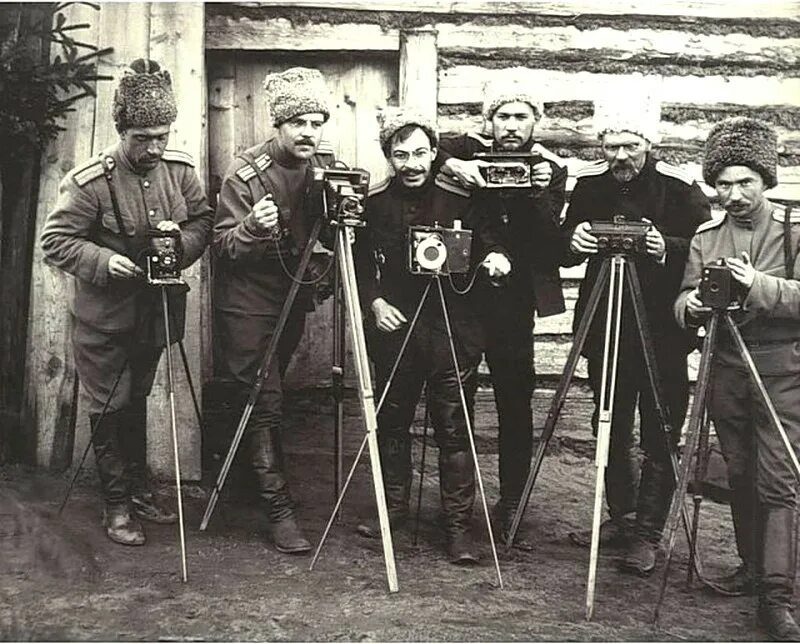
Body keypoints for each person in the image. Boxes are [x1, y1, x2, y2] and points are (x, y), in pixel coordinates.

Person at [41, 58, 214, 546]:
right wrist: (102, 261)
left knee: (135, 397)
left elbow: (202, 219)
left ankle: (137, 492)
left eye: (162, 135)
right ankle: (115, 507)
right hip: (105, 319)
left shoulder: (178, 171)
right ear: (122, 130)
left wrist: (179, 244)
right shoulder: (90, 181)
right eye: (143, 138)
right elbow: (55, 241)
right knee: (109, 402)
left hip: (156, 313)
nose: (155, 147)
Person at [562, 90, 711, 575]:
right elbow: (564, 247)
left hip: (663, 332)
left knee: (660, 427)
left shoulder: (680, 191)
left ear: (648, 143)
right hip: (605, 325)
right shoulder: (588, 189)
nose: (621, 157)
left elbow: (705, 251)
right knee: (607, 422)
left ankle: (648, 533)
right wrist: (576, 240)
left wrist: (662, 244)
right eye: (611, 147)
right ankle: (622, 518)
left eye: (630, 146)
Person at [674, 117, 800, 641]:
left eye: (745, 181)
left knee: (779, 479)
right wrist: (695, 305)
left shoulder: (793, 230)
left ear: (765, 179)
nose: (733, 193)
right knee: (741, 474)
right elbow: (681, 301)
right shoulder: (706, 237)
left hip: (782, 370)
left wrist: (761, 285)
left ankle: (777, 595)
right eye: (723, 183)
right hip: (724, 368)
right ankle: (752, 568)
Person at [436, 77, 567, 545]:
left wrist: (536, 194)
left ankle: (513, 501)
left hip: (516, 305)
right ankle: (458, 504)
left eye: (521, 116)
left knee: (516, 401)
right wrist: (455, 163)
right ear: (488, 121)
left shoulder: (550, 169)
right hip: (467, 297)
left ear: (536, 121)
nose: (511, 126)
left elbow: (553, 242)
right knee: (458, 399)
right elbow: (426, 145)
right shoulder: (465, 152)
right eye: (503, 116)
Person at [212, 67, 337, 554]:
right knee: (263, 400)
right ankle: (279, 511)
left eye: (316, 122)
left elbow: (327, 234)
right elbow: (223, 248)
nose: (308, 131)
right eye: (298, 122)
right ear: (278, 125)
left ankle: (245, 480)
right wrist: (253, 229)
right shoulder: (244, 173)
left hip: (292, 301)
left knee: (265, 395)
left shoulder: (321, 170)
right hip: (246, 308)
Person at [354, 108, 484, 564]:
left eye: (420, 152)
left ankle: (457, 527)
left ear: (434, 154)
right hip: (396, 332)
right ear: (389, 156)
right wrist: (375, 304)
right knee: (393, 422)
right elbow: (357, 265)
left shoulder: (459, 200)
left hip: (451, 330)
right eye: (400, 153)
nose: (410, 163)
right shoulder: (373, 205)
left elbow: (489, 246)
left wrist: (494, 261)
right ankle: (392, 511)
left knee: (453, 428)